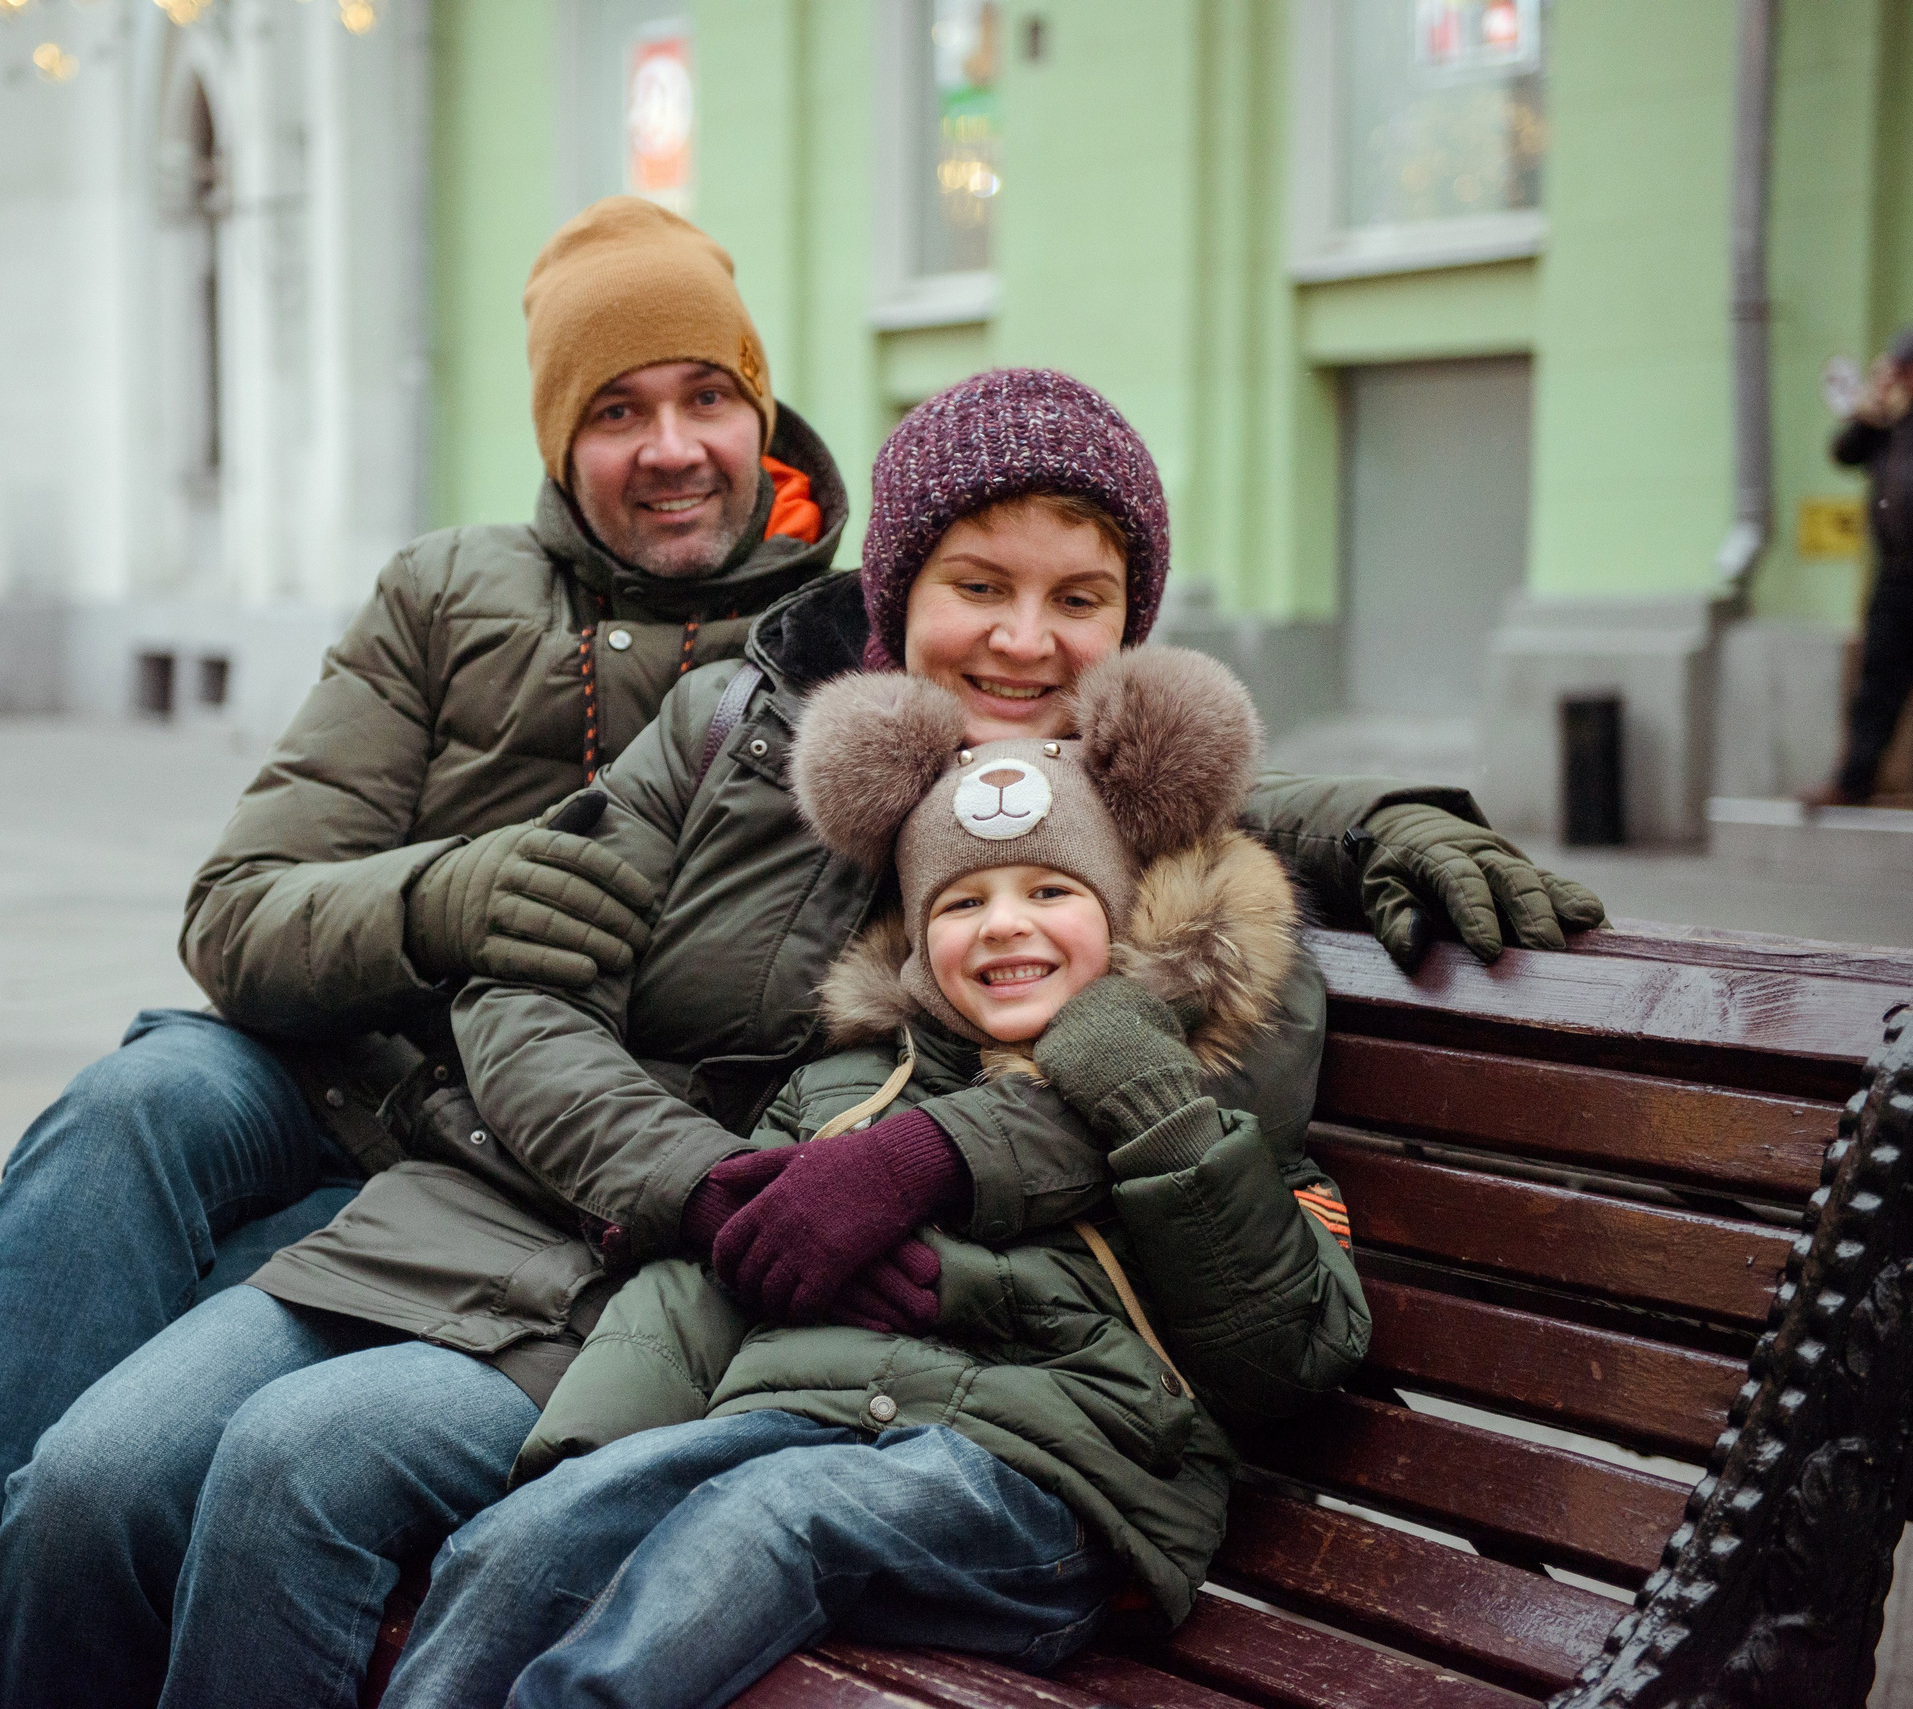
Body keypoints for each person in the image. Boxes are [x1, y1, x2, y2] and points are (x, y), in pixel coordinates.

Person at [0, 371, 1561, 1708]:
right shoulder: (735, 730)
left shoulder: (1115, 843)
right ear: (896, 592)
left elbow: (1192, 970)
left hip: (674, 1328)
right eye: (976, 589)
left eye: (1080, 603)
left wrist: (1380, 815)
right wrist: (700, 1180)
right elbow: (521, 987)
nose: (1025, 643)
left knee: (289, 1477)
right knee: (91, 1483)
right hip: (535, 1220)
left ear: (1131, 629)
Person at [0, 194, 853, 1709]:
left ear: (760, 413)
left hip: (507, 1161)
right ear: (558, 440)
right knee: (134, 1101)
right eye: (615, 411)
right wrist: (437, 900)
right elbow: (237, 914)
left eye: (705, 397)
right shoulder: (449, 591)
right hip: (321, 1072)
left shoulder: (833, 646)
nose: (669, 447)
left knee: (94, 1459)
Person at [382, 639, 1363, 1708]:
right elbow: (711, 1277)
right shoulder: (844, 1086)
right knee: (522, 1540)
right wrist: (593, 1458)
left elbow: (1289, 1353)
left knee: (767, 1521)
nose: (1005, 923)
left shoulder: (1195, 1089)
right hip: (796, 1428)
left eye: (1050, 888)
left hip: (1045, 1485)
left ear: (1121, 909)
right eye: (961, 903)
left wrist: (1151, 1111)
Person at [1805, 324, 1913, 807]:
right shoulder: (1889, 425)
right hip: (1897, 579)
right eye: (1908, 366)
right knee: (1877, 688)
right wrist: (1875, 401)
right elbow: (1844, 453)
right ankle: (1853, 782)